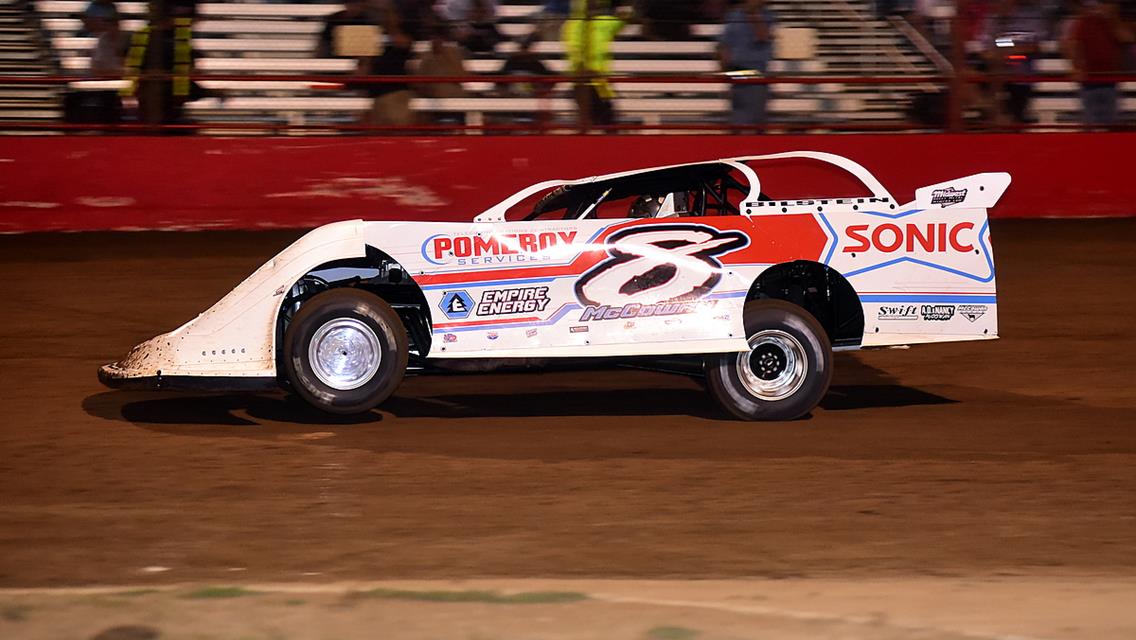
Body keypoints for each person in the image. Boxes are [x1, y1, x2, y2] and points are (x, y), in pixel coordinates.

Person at [1063, 0, 1134, 127]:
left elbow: (1127, 39)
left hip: (1110, 79)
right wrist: (1076, 67)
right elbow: (1072, 44)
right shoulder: (1085, 21)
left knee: (1111, 122)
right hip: (1089, 79)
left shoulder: (1117, 23)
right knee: (1090, 122)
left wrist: (1112, 21)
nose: (1108, 7)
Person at [563, 0, 630, 130]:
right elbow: (625, 17)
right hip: (586, 82)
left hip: (596, 83)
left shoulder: (600, 22)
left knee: (601, 124)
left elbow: (624, 18)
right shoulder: (573, 26)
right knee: (603, 125)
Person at [979, 0, 1045, 124]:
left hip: (1020, 75)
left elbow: (1033, 46)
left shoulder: (1029, 17)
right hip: (996, 72)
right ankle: (993, 115)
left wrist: (1005, 47)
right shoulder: (991, 19)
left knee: (1015, 117)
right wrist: (1009, 47)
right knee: (974, 77)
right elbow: (985, 48)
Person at [718, 0, 776, 129]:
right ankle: (738, 142)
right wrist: (724, 68)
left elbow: (763, 36)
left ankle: (756, 143)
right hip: (737, 70)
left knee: (756, 116)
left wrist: (754, 16)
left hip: (757, 72)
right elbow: (724, 43)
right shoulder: (734, 15)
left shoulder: (768, 16)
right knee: (738, 114)